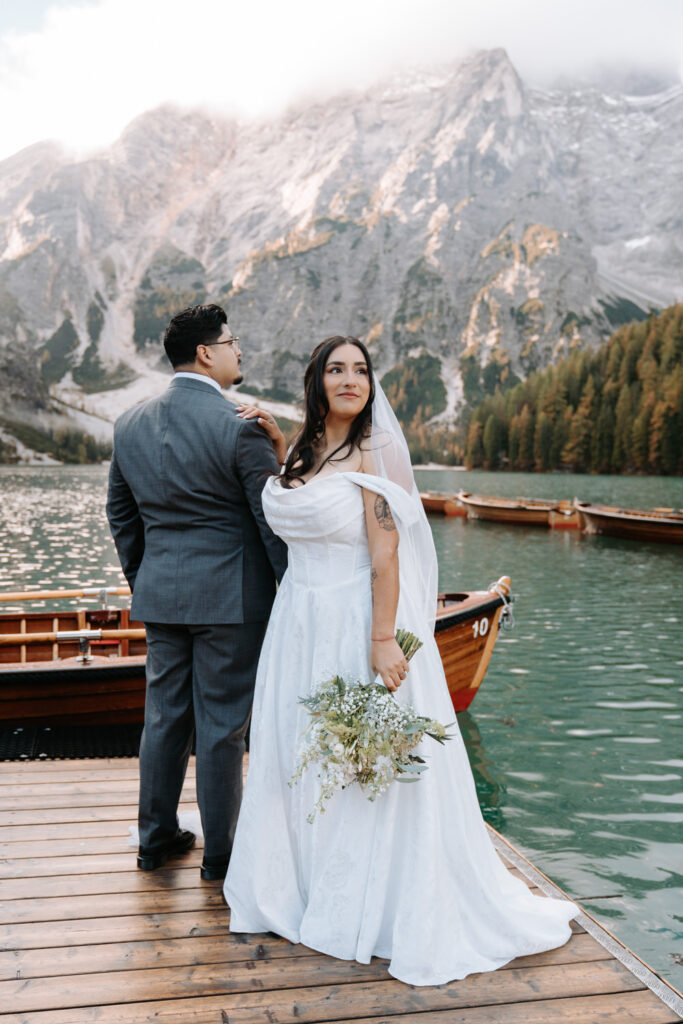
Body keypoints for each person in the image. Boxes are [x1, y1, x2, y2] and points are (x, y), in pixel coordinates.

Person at [224, 335, 577, 985]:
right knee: (299, 750)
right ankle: (297, 884)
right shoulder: (303, 449)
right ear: (318, 381)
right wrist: (278, 445)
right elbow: (305, 500)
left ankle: (368, 900)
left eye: (360, 370)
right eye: (336, 369)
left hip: (352, 619)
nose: (350, 379)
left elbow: (386, 554)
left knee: (354, 759)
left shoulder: (377, 448)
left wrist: (382, 639)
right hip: (296, 622)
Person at [106, 304, 287, 881]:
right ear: (207, 353)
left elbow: (121, 516)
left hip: (162, 596)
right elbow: (270, 521)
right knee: (223, 726)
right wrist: (292, 590)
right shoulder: (242, 427)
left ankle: (155, 840)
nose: (240, 352)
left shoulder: (128, 424)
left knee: (163, 719)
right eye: (233, 342)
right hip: (232, 601)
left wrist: (147, 578)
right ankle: (220, 855)